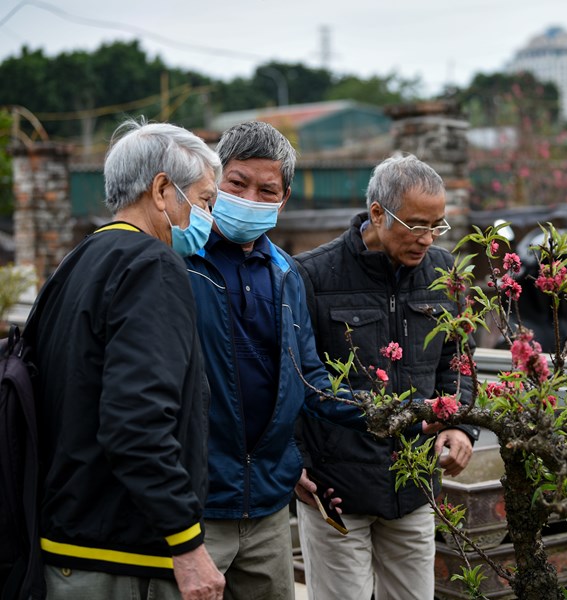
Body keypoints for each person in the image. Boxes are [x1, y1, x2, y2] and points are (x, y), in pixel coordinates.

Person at [32, 119, 225, 600]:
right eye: (204, 200)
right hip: (124, 557)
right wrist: (187, 543)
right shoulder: (151, 267)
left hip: (69, 539)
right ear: (163, 190)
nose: (210, 219)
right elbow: (136, 423)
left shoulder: (80, 261)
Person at [185, 121, 366, 599]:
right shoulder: (181, 261)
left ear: (283, 201)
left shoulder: (286, 274)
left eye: (268, 190)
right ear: (212, 183)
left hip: (267, 502)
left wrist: (396, 414)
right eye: (237, 183)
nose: (251, 198)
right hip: (198, 503)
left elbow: (308, 378)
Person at [293, 154, 480, 600]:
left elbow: (458, 361)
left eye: (437, 225)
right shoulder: (312, 276)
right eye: (417, 224)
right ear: (377, 213)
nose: (428, 238)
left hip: (414, 485)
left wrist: (459, 424)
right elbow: (299, 378)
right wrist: (293, 458)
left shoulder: (444, 274)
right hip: (336, 489)